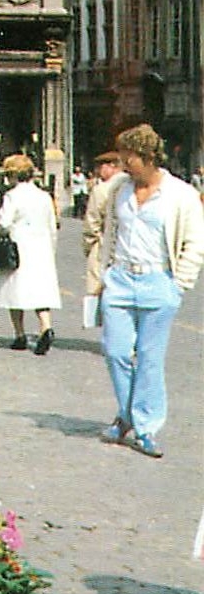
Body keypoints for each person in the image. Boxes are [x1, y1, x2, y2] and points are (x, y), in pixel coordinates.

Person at [95, 124, 204, 459]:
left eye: (129, 159)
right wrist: (105, 269)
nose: (125, 166)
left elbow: (194, 242)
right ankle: (128, 413)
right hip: (121, 280)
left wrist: (178, 284)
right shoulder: (118, 189)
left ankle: (144, 426)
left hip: (158, 282)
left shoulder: (180, 194)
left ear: (147, 157)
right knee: (115, 351)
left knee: (149, 359)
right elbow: (103, 225)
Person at [0, 154, 61, 354]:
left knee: (15, 291)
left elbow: (4, 223)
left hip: (19, 247)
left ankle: (19, 334)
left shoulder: (12, 196)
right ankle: (45, 326)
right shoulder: (44, 196)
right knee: (40, 291)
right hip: (41, 248)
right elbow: (52, 225)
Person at [82, 148, 123, 313]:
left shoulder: (102, 189)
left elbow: (92, 223)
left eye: (101, 167)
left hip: (104, 247)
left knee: (102, 291)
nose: (99, 172)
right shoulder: (132, 184)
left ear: (112, 166)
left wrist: (89, 247)